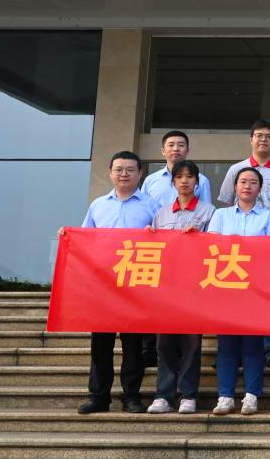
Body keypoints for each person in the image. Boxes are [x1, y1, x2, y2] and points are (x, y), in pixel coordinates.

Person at [71, 150, 160, 415]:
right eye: (119, 169)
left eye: (130, 169)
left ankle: (131, 397)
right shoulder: (98, 205)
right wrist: (68, 236)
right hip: (103, 286)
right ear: (110, 173)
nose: (124, 174)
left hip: (136, 285)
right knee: (101, 346)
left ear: (140, 173)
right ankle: (98, 397)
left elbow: (163, 243)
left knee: (133, 346)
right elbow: (85, 240)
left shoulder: (152, 206)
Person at [219, 120, 270, 370]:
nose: (263, 140)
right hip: (236, 256)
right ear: (251, 139)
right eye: (259, 135)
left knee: (269, 297)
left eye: (268, 136)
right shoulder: (236, 169)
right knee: (236, 300)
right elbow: (227, 203)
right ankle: (234, 351)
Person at [145, 160, 214, 415]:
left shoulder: (209, 211)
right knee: (164, 343)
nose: (184, 181)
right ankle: (163, 395)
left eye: (190, 176)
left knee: (191, 343)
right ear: (173, 182)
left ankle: (188, 395)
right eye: (180, 177)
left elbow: (216, 246)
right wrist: (148, 235)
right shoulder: (161, 213)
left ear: (197, 181)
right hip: (166, 288)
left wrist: (200, 238)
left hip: (195, 288)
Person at [207, 166, 270, 416]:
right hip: (226, 289)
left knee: (253, 344)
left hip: (256, 290)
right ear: (235, 186)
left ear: (260, 188)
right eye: (243, 182)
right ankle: (225, 396)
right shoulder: (221, 215)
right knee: (226, 345)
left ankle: (251, 395)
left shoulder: (269, 216)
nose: (247, 186)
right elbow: (211, 247)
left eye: (253, 182)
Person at [141, 130, 213, 207]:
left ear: (187, 151)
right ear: (163, 151)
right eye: (171, 145)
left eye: (181, 145)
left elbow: (206, 210)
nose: (176, 149)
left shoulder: (201, 180)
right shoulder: (150, 180)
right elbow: (142, 208)